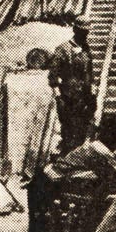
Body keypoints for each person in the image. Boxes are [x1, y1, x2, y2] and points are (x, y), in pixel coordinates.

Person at [49, 19, 95, 154]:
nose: (85, 35)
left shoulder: (86, 49)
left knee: (83, 131)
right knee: (69, 132)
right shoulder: (63, 49)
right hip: (68, 97)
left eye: (86, 32)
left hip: (84, 97)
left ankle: (78, 163)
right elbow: (53, 76)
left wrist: (91, 93)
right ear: (75, 30)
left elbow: (90, 73)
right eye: (82, 31)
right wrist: (59, 97)